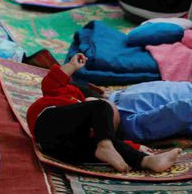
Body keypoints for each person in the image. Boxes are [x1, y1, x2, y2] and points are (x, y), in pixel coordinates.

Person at [27, 54, 181, 173]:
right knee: (101, 116)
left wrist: (138, 148)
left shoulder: (92, 132)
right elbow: (52, 81)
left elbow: (117, 142)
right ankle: (107, 145)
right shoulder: (63, 96)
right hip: (48, 126)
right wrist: (72, 66)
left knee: (108, 145)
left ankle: (149, 162)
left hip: (62, 150)